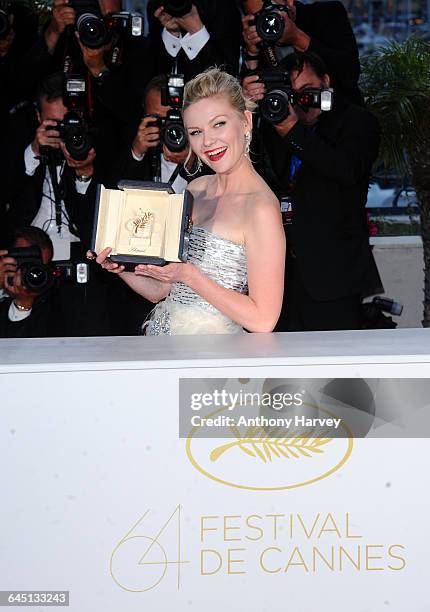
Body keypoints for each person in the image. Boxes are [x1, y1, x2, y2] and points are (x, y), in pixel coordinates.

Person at [91, 68, 285, 335]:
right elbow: (162, 290)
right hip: (165, 339)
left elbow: (263, 320)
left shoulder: (260, 208)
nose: (208, 142)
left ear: (246, 122)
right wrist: (119, 267)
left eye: (219, 124)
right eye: (195, 132)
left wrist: (190, 276)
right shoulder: (195, 190)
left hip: (214, 357)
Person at [246, 51, 382, 332]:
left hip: (334, 277)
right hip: (278, 281)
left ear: (326, 81)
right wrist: (249, 109)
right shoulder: (274, 125)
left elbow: (345, 171)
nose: (302, 102)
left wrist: (292, 131)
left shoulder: (357, 121)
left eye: (308, 92)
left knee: (337, 371)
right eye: (292, 94)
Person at [241, 0, 362, 105]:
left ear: (289, 2)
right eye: (258, 18)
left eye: (268, 14)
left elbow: (349, 74)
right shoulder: (258, 39)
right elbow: (251, 98)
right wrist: (252, 55)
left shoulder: (327, 14)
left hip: (339, 121)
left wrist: (297, 38)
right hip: (288, 125)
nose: (268, 24)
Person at [147, 0, 242, 80]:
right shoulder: (158, 5)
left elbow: (228, 79)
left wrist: (197, 31)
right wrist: (172, 34)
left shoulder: (221, 6)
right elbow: (153, 77)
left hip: (210, 96)